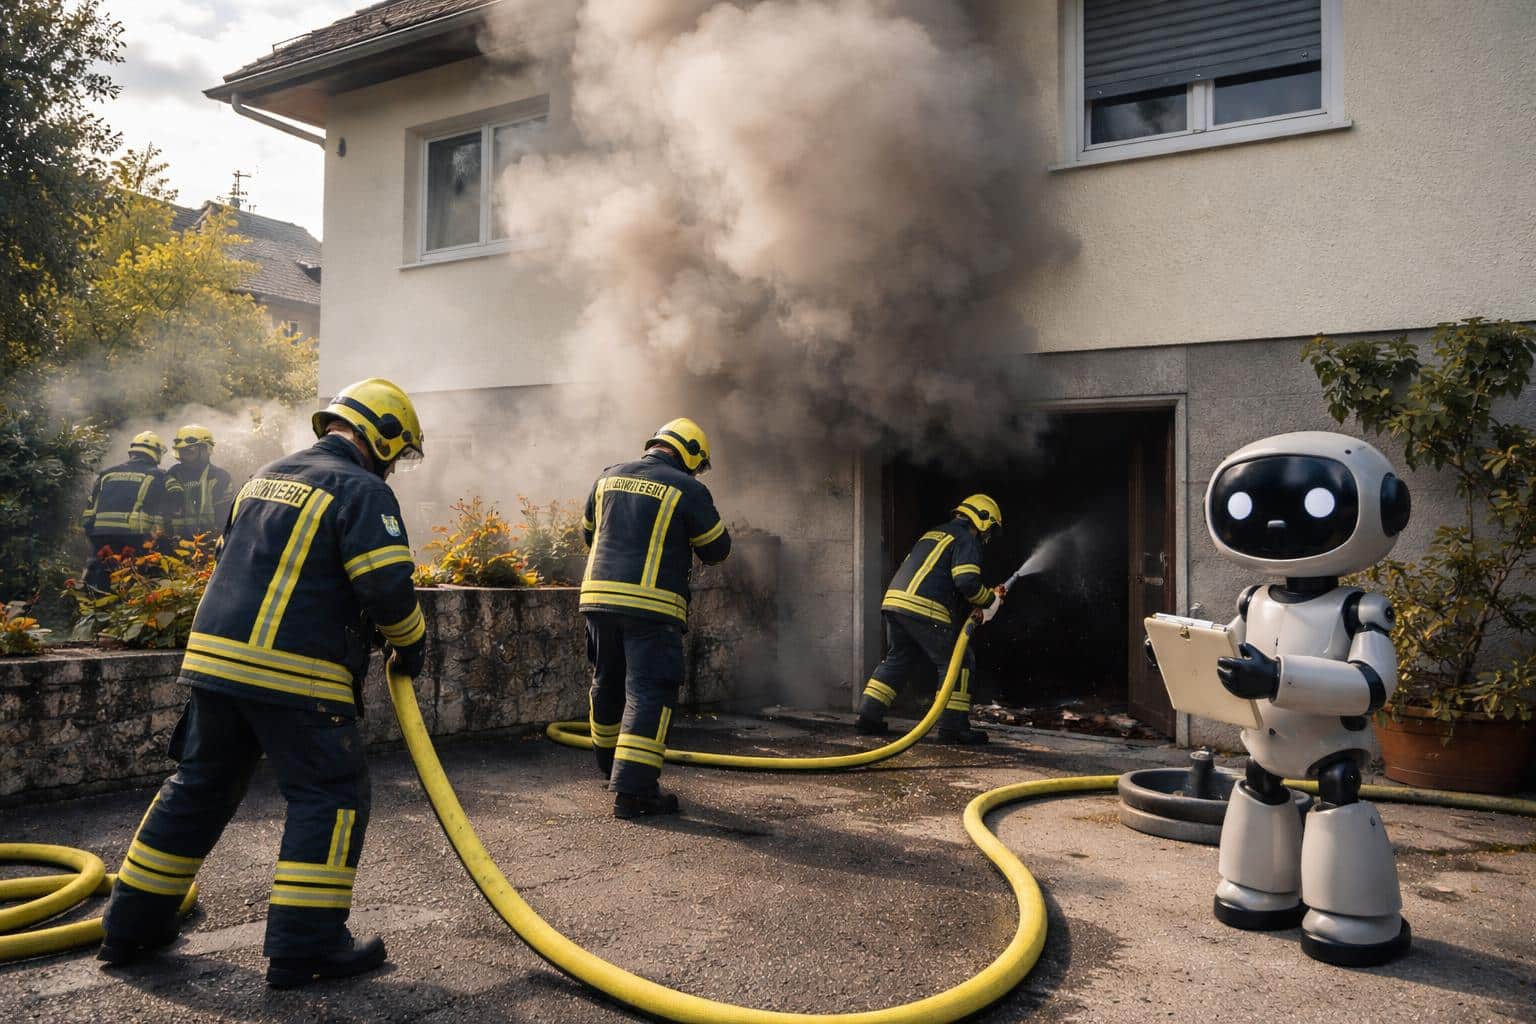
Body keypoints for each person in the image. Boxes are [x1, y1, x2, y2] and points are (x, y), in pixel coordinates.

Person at [98, 378, 427, 989]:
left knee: (197, 788)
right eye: (397, 449)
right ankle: (308, 947)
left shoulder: (264, 476)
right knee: (330, 796)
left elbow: (235, 558)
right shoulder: (360, 488)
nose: (395, 464)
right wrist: (412, 643)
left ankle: (130, 927)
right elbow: (386, 588)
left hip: (215, 664)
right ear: (380, 434)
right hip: (295, 672)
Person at [1178, 431, 1411, 966]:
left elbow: (1372, 685)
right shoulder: (1253, 599)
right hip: (1266, 742)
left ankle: (1356, 915)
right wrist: (1182, 654)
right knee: (1258, 788)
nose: (1277, 523)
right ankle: (1257, 887)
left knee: (1339, 803)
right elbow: (1231, 650)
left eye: (1313, 504)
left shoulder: (1359, 610)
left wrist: (1279, 677)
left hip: (1329, 747)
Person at [579, 417, 730, 819]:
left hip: (597, 602)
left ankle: (611, 768)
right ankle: (635, 793)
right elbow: (717, 549)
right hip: (653, 608)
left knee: (606, 683)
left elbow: (589, 533)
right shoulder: (688, 488)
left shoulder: (608, 477)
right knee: (650, 692)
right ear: (692, 455)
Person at [855, 495, 1006, 744]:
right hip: (924, 607)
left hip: (896, 603)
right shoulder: (966, 539)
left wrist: (982, 601)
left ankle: (868, 716)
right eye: (990, 529)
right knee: (959, 661)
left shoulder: (936, 533)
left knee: (898, 659)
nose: (988, 536)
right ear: (982, 519)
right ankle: (953, 728)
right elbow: (967, 581)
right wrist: (990, 600)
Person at [80, 431, 178, 591]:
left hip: (101, 536)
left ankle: (93, 608)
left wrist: (94, 538)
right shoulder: (160, 475)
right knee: (136, 579)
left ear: (133, 451)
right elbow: (173, 500)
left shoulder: (107, 473)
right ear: (157, 453)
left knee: (99, 575)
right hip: (135, 537)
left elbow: (89, 512)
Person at [166, 424, 234, 542]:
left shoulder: (220, 477)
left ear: (205, 449)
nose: (184, 456)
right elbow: (163, 510)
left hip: (211, 540)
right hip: (177, 541)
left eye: (189, 451)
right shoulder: (173, 474)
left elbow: (225, 514)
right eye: (182, 452)